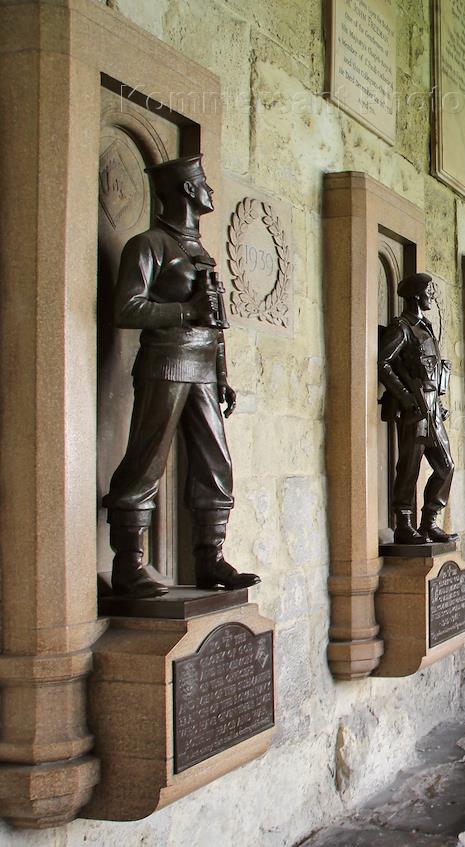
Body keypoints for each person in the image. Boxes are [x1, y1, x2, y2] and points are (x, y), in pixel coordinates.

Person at [102, 154, 259, 597]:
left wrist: (222, 375)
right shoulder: (150, 245)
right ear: (189, 189)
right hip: (167, 365)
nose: (210, 189)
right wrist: (185, 311)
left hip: (203, 371)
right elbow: (126, 308)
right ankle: (128, 563)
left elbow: (215, 324)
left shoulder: (198, 250)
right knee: (146, 461)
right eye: (204, 182)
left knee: (215, 462)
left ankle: (211, 558)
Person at [379, 272, 456, 543]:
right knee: (409, 467)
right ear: (415, 295)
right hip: (414, 408)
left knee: (446, 466)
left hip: (432, 407)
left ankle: (429, 522)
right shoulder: (402, 328)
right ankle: (403, 524)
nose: (431, 296)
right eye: (428, 291)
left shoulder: (427, 327)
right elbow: (383, 363)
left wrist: (439, 404)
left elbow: (431, 371)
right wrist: (405, 397)